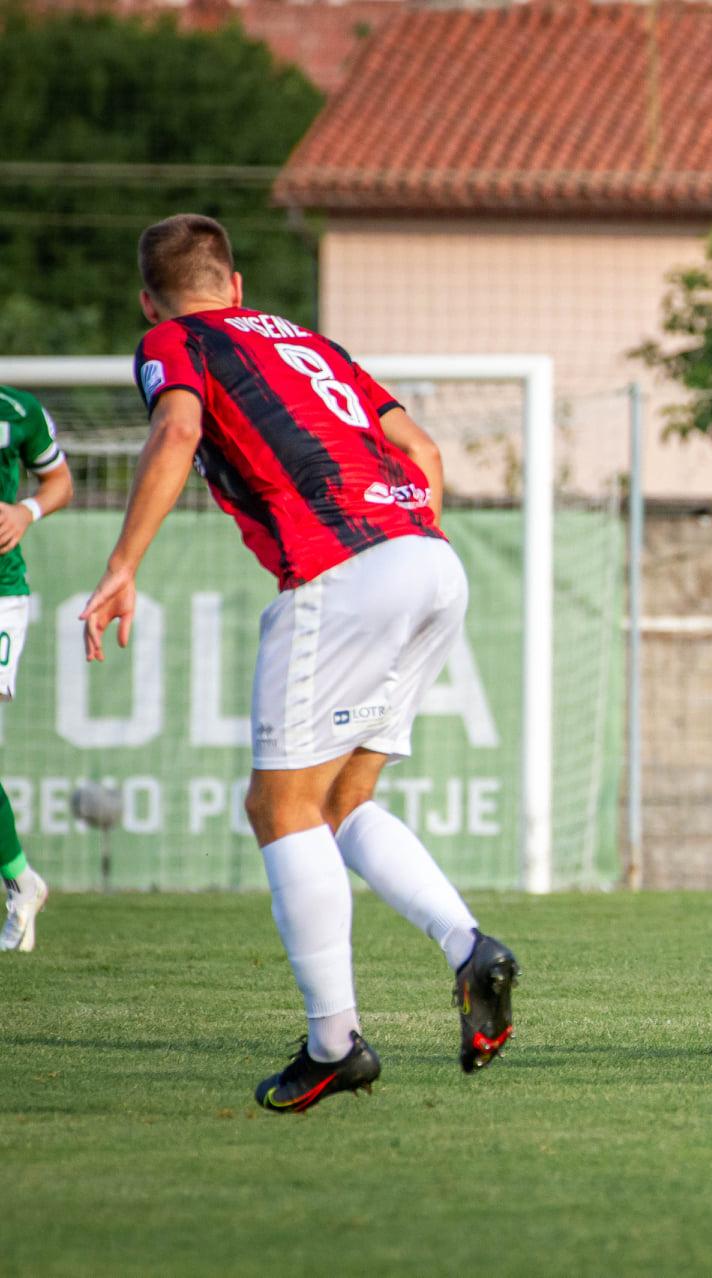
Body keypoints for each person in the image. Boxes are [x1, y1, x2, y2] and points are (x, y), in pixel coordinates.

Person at [80, 214, 521, 1112]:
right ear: (236, 284)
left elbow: (173, 435)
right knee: (341, 801)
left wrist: (123, 564)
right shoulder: (307, 340)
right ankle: (471, 950)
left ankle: (335, 1043)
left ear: (148, 300)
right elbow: (423, 451)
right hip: (432, 559)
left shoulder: (174, 340)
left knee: (277, 806)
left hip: (342, 570)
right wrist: (399, 544)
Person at [0, 385, 73, 952]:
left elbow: (60, 482)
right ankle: (23, 882)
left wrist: (26, 510)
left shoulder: (18, 410)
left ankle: (22, 884)